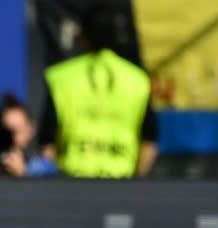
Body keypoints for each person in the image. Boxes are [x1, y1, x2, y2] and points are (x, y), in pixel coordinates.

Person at [37, 3, 158, 178]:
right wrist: (135, 181)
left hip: (71, 184)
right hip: (123, 182)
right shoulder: (138, 80)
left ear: (83, 37)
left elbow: (47, 144)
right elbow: (150, 142)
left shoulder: (61, 78)